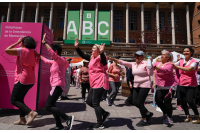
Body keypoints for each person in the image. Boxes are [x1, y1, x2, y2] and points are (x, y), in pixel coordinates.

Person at [36, 33, 74, 130]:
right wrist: (39, 56)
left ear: (56, 51)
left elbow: (51, 54)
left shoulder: (60, 60)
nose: (51, 54)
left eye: (53, 51)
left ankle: (68, 118)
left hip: (57, 86)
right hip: (56, 86)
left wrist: (44, 42)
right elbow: (46, 61)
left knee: (48, 106)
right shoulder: (55, 62)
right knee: (52, 105)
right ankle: (59, 125)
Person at [108, 50, 153, 127]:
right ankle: (148, 113)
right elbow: (122, 62)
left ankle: (144, 119)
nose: (136, 57)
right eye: (135, 56)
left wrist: (150, 65)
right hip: (136, 85)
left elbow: (150, 74)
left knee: (140, 103)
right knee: (134, 102)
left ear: (142, 57)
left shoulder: (146, 63)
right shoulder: (133, 64)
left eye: (138, 56)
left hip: (145, 85)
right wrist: (111, 58)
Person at [74, 38, 110, 129]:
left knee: (95, 103)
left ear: (98, 50)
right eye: (92, 48)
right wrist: (77, 47)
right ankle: (104, 113)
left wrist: (102, 52)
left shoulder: (101, 57)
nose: (92, 49)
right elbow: (82, 55)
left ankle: (100, 123)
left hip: (100, 82)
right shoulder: (91, 58)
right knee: (89, 101)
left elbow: (104, 62)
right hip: (93, 83)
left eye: (94, 48)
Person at [5, 37, 38, 125]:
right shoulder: (33, 52)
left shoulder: (22, 50)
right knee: (20, 99)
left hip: (22, 79)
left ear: (24, 43)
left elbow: (7, 50)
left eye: (22, 42)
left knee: (13, 100)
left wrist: (17, 42)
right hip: (31, 80)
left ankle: (31, 113)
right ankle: (22, 119)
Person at [171, 47, 200, 124]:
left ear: (191, 52)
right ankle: (188, 116)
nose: (185, 52)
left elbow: (189, 69)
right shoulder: (181, 61)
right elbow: (173, 66)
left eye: (187, 51)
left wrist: (176, 66)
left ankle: (197, 115)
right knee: (183, 101)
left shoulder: (194, 62)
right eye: (184, 51)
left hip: (191, 84)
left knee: (189, 100)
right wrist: (170, 63)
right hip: (181, 83)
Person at [153, 50, 177, 124]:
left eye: (164, 55)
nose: (161, 56)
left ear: (168, 57)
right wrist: (154, 82)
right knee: (158, 101)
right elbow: (154, 74)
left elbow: (164, 70)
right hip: (160, 86)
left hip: (169, 86)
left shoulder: (170, 64)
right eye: (161, 54)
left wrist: (154, 67)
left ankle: (169, 117)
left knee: (167, 102)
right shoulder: (157, 63)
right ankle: (165, 113)